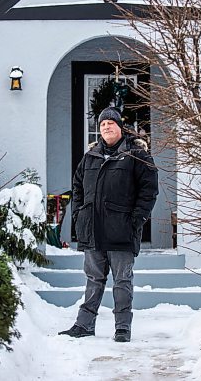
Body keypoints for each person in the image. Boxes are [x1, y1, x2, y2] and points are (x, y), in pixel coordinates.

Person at [58, 107, 158, 342]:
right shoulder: (90, 157)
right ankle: (84, 325)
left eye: (110, 123)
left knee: (122, 281)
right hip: (92, 229)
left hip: (122, 230)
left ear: (120, 127)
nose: (106, 127)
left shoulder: (136, 155)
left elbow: (149, 191)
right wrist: (79, 216)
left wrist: (137, 220)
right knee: (93, 279)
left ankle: (122, 327)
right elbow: (78, 188)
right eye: (102, 124)